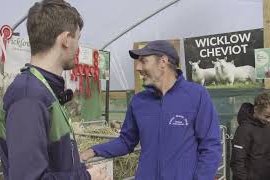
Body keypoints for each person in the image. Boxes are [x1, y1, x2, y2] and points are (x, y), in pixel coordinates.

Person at [0, 0, 109, 179]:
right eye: (77, 39)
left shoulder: (44, 90)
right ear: (65, 40)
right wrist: (87, 178)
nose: (78, 47)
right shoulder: (29, 97)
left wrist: (79, 169)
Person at [80, 40, 222, 180]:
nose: (138, 67)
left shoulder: (197, 95)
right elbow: (126, 141)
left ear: (163, 62)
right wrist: (93, 150)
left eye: (144, 61)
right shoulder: (138, 101)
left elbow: (211, 147)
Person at [230, 92, 270, 180]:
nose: (269, 120)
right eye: (267, 116)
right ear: (256, 109)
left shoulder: (267, 126)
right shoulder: (244, 130)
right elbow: (237, 162)